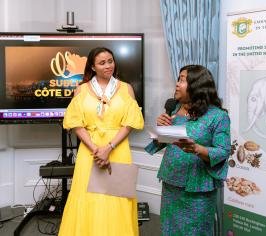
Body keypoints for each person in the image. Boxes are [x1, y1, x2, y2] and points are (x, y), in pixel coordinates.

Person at [58, 47, 144, 236]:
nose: (108, 66)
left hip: (118, 149)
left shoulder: (126, 88)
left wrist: (109, 147)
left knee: (117, 198)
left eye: (110, 61)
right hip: (90, 152)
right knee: (87, 197)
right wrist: (96, 149)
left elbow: (130, 122)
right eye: (102, 63)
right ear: (92, 66)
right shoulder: (81, 89)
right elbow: (76, 123)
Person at [145, 65, 231, 235]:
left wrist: (198, 149)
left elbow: (223, 151)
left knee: (196, 231)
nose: (177, 84)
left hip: (198, 188)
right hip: (171, 182)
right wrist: (160, 129)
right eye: (178, 79)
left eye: (182, 80)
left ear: (197, 85)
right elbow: (164, 141)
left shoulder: (218, 116)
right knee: (170, 229)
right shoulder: (174, 109)